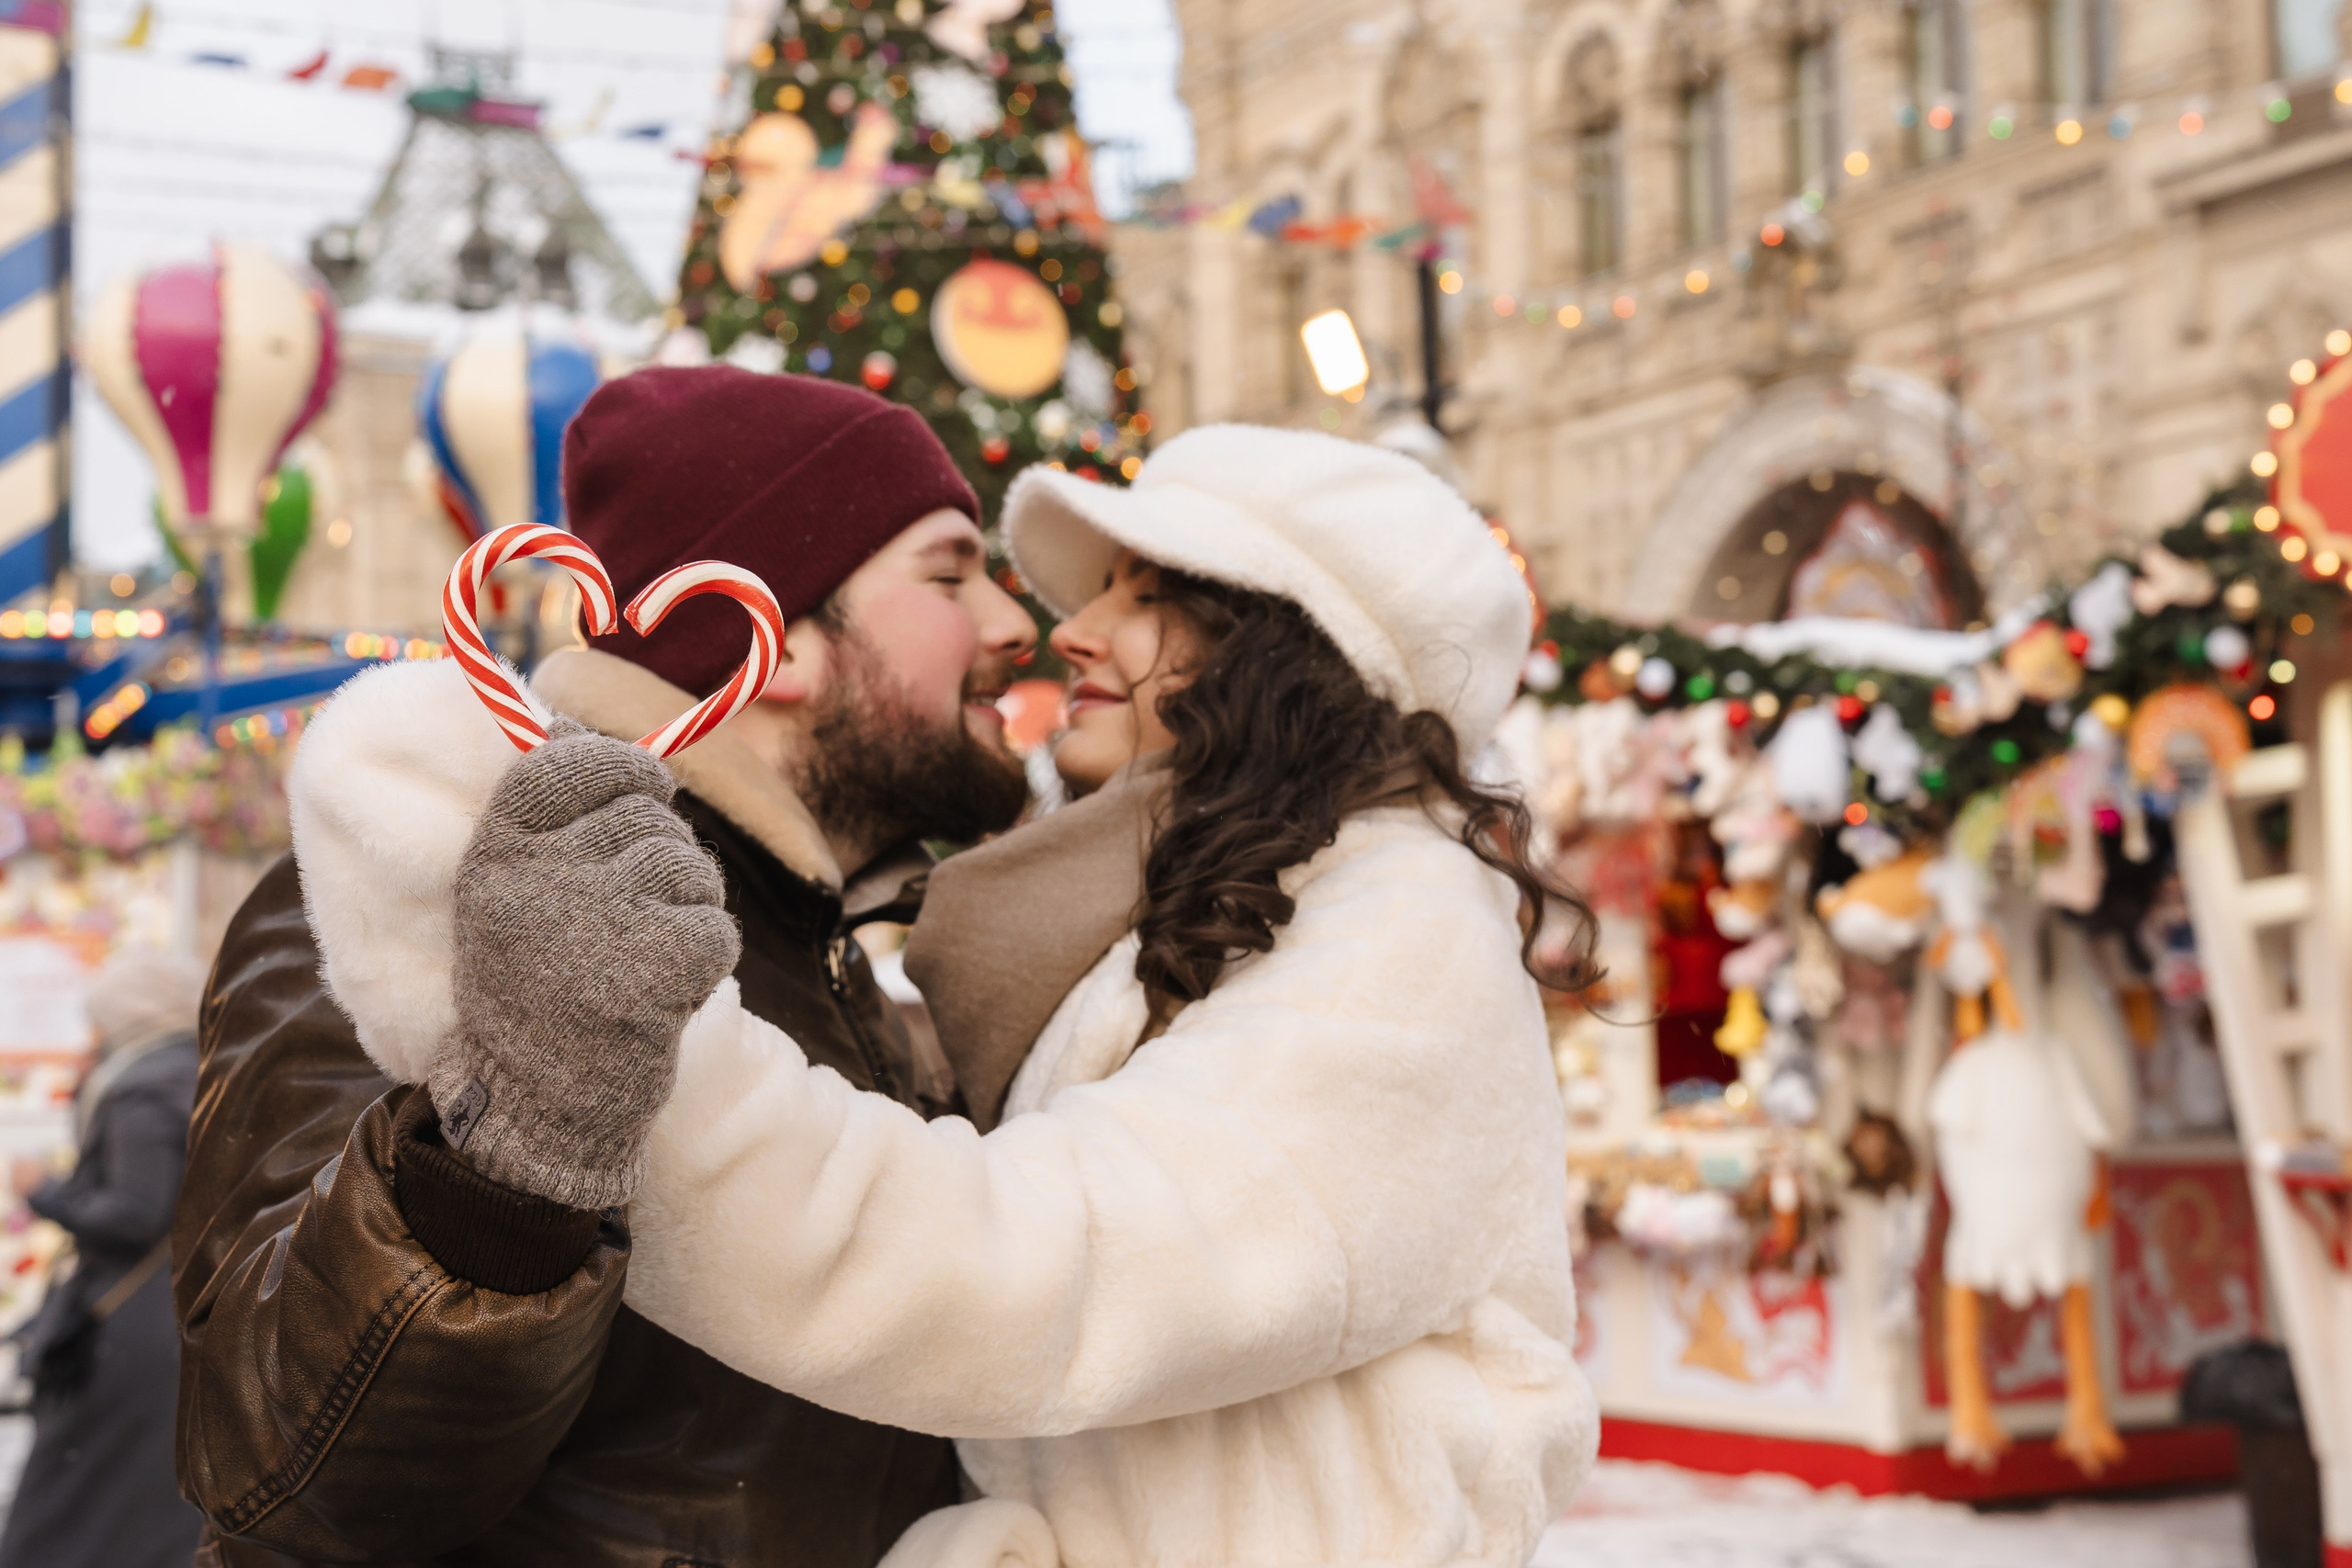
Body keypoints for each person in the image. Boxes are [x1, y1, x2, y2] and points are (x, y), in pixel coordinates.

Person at [294, 425, 1604, 1568]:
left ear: (1287, 650)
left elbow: (1043, 1272)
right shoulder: (1149, 926)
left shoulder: (1401, 925)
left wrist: (600, 1053)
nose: (1067, 627)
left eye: (1149, 595)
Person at [172, 367, 1037, 1567]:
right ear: (768, 642)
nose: (1013, 624)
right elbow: (273, 1462)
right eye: (950, 573)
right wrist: (505, 1154)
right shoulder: (425, 887)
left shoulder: (833, 966)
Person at [5, 946, 208, 1568]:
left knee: (73, 1496)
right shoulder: (201, 1069)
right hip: (173, 1314)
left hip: (126, 1327)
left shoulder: (141, 1085)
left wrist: (43, 1189)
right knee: (138, 1497)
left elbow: (134, 1212)